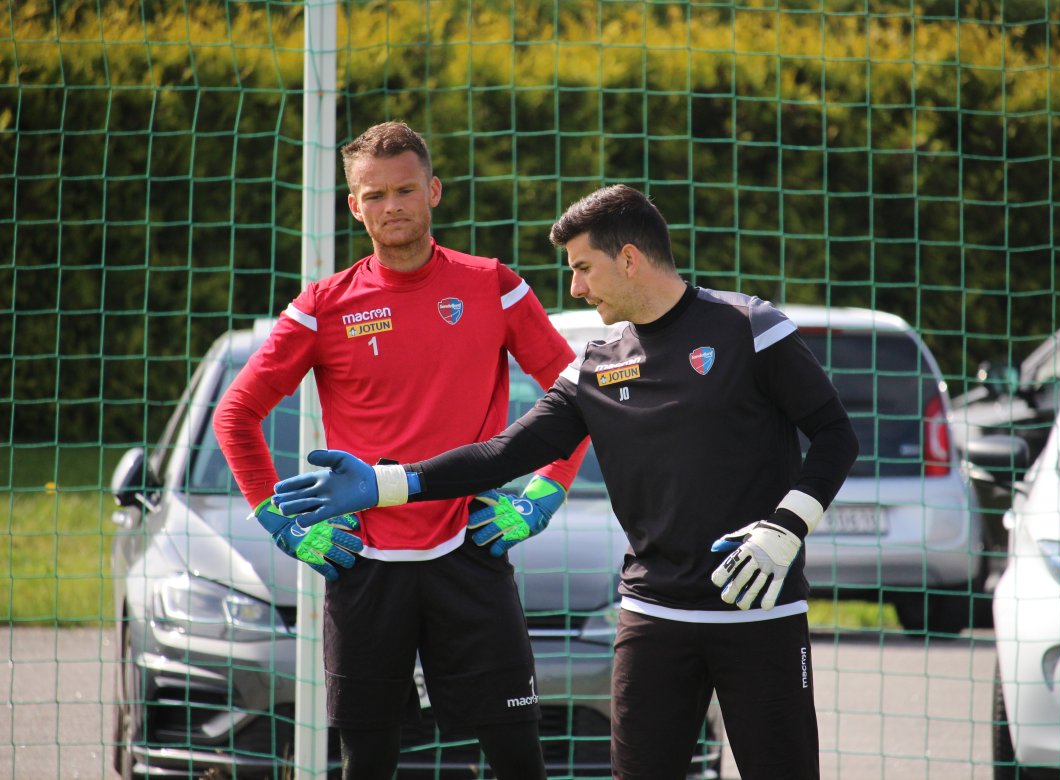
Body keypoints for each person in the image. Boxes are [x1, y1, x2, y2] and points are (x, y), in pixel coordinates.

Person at [271, 183, 860, 780]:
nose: (575, 287)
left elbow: (836, 435)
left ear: (628, 259)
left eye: (583, 268)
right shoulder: (597, 367)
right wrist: (386, 484)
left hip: (758, 610)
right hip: (652, 618)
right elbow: (503, 454)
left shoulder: (751, 327)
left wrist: (785, 529)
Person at [211, 121, 589, 780]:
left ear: (433, 191)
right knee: (368, 761)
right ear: (354, 206)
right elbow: (235, 414)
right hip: (363, 562)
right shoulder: (322, 306)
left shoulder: (494, 285)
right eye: (375, 195)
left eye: (406, 189)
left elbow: (579, 395)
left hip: (471, 548)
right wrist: (278, 520)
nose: (393, 206)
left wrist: (543, 495)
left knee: (517, 756)